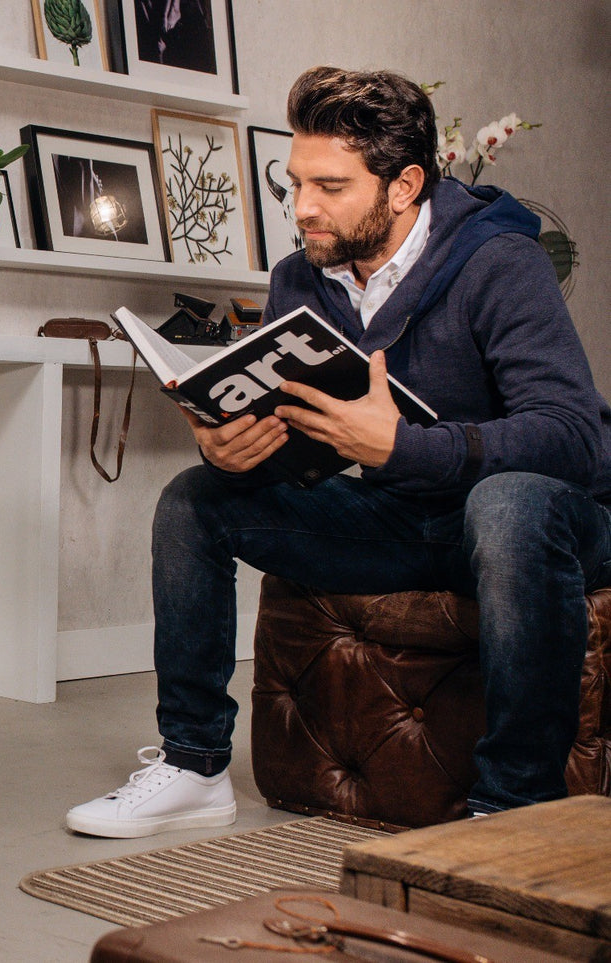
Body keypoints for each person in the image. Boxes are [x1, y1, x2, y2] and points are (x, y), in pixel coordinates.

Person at [66, 65, 611, 838]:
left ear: (403, 185)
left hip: (546, 526)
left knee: (507, 504)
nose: (304, 208)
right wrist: (236, 447)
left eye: (330, 186)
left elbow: (570, 438)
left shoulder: (498, 262)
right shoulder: (302, 278)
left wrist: (403, 447)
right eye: (295, 184)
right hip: (405, 521)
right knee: (194, 500)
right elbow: (307, 449)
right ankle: (192, 765)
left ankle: (509, 812)